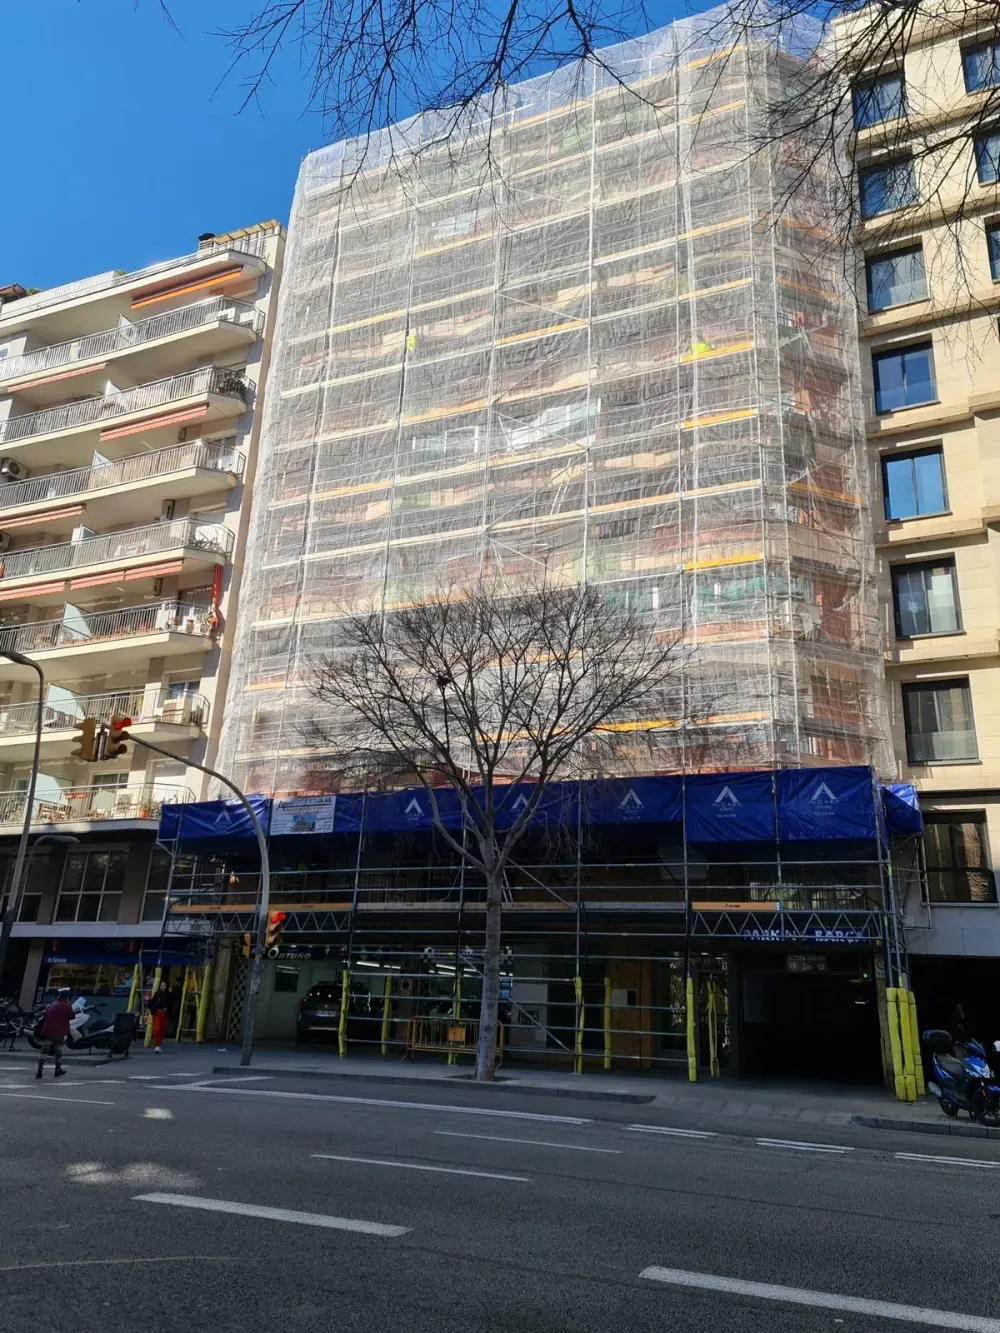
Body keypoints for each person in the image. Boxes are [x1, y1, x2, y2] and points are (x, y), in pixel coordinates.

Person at [36, 988, 74, 1080]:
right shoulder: (66, 1005)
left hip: (47, 1031)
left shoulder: (52, 1004)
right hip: (58, 1032)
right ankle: (57, 1069)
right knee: (58, 1051)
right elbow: (72, 1016)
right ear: (67, 997)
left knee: (44, 1051)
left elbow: (45, 1016)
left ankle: (39, 1071)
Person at [148, 981, 169, 1053]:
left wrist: (167, 1009)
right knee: (157, 1029)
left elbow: (170, 1003)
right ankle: (156, 1045)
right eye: (161, 986)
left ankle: (158, 1044)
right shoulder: (157, 994)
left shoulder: (168, 995)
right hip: (157, 1013)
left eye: (164, 986)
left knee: (161, 1030)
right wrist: (152, 1010)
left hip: (163, 1013)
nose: (162, 987)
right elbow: (151, 1003)